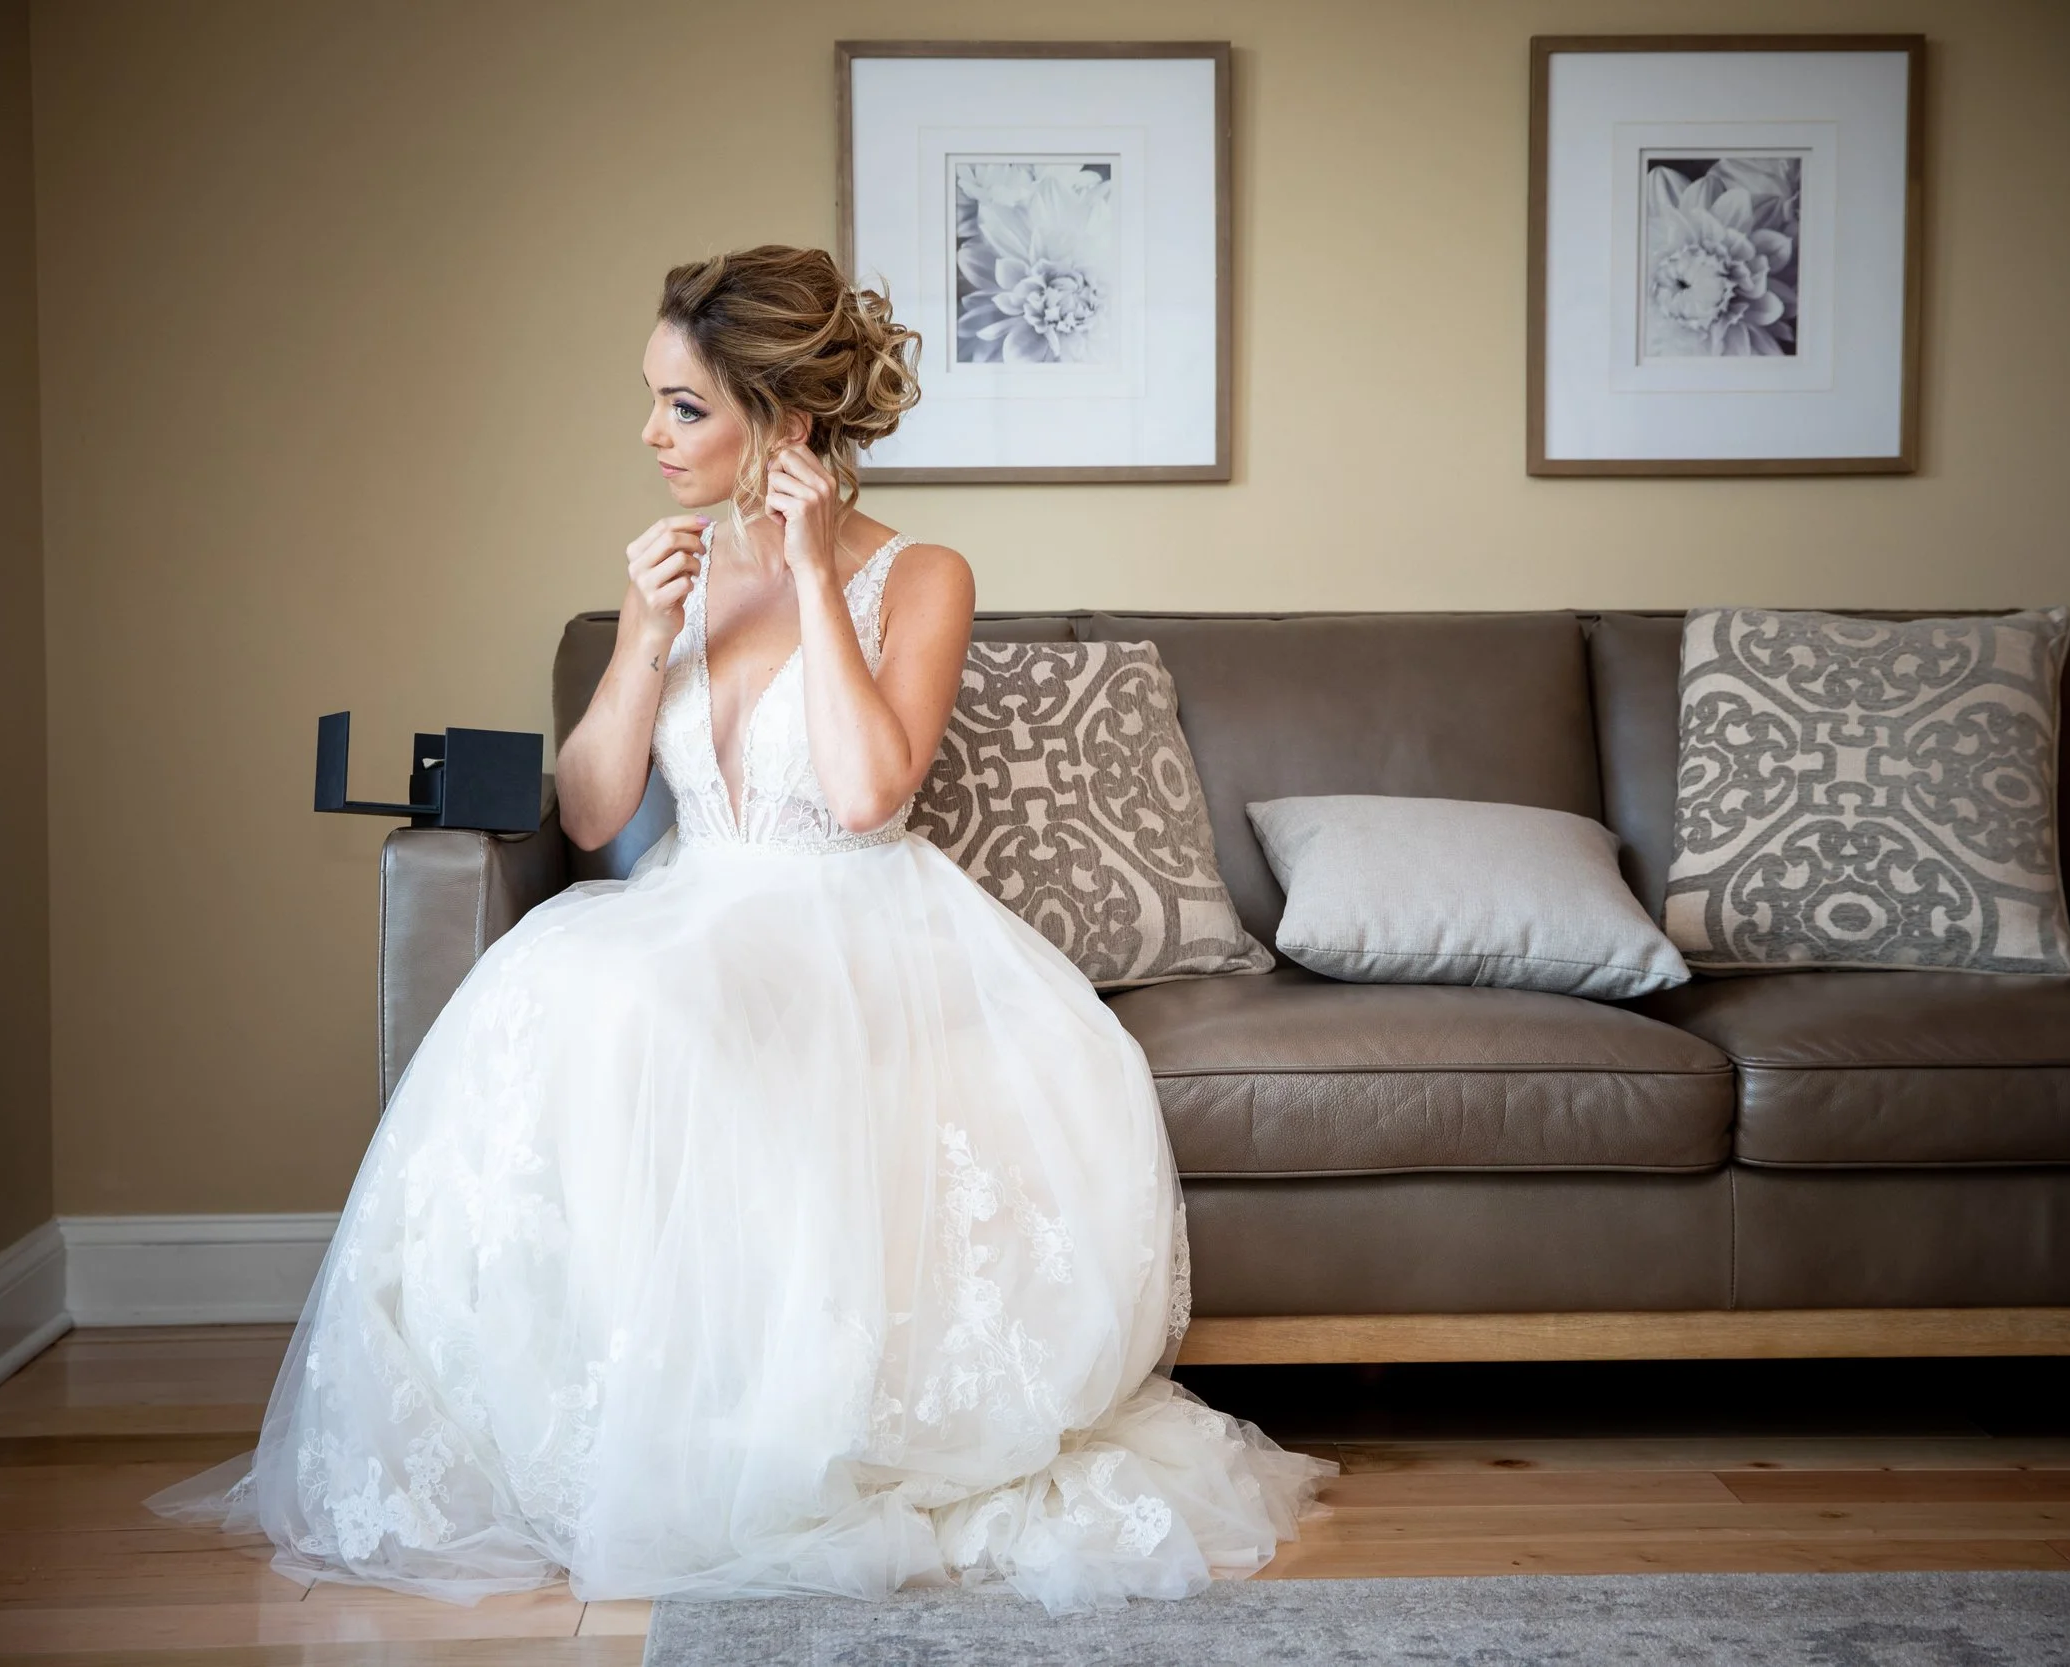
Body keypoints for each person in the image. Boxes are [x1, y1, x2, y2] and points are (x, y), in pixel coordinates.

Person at [146, 244, 1334, 1615]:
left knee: (647, 1003)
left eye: (684, 407)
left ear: (790, 428)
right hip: (695, 904)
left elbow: (870, 789)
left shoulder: (923, 574)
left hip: (858, 916)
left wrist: (817, 575)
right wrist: (647, 631)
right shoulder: (673, 579)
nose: (650, 434)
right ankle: (617, 1420)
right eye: (652, 401)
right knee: (569, 990)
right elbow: (595, 813)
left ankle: (768, 1433)